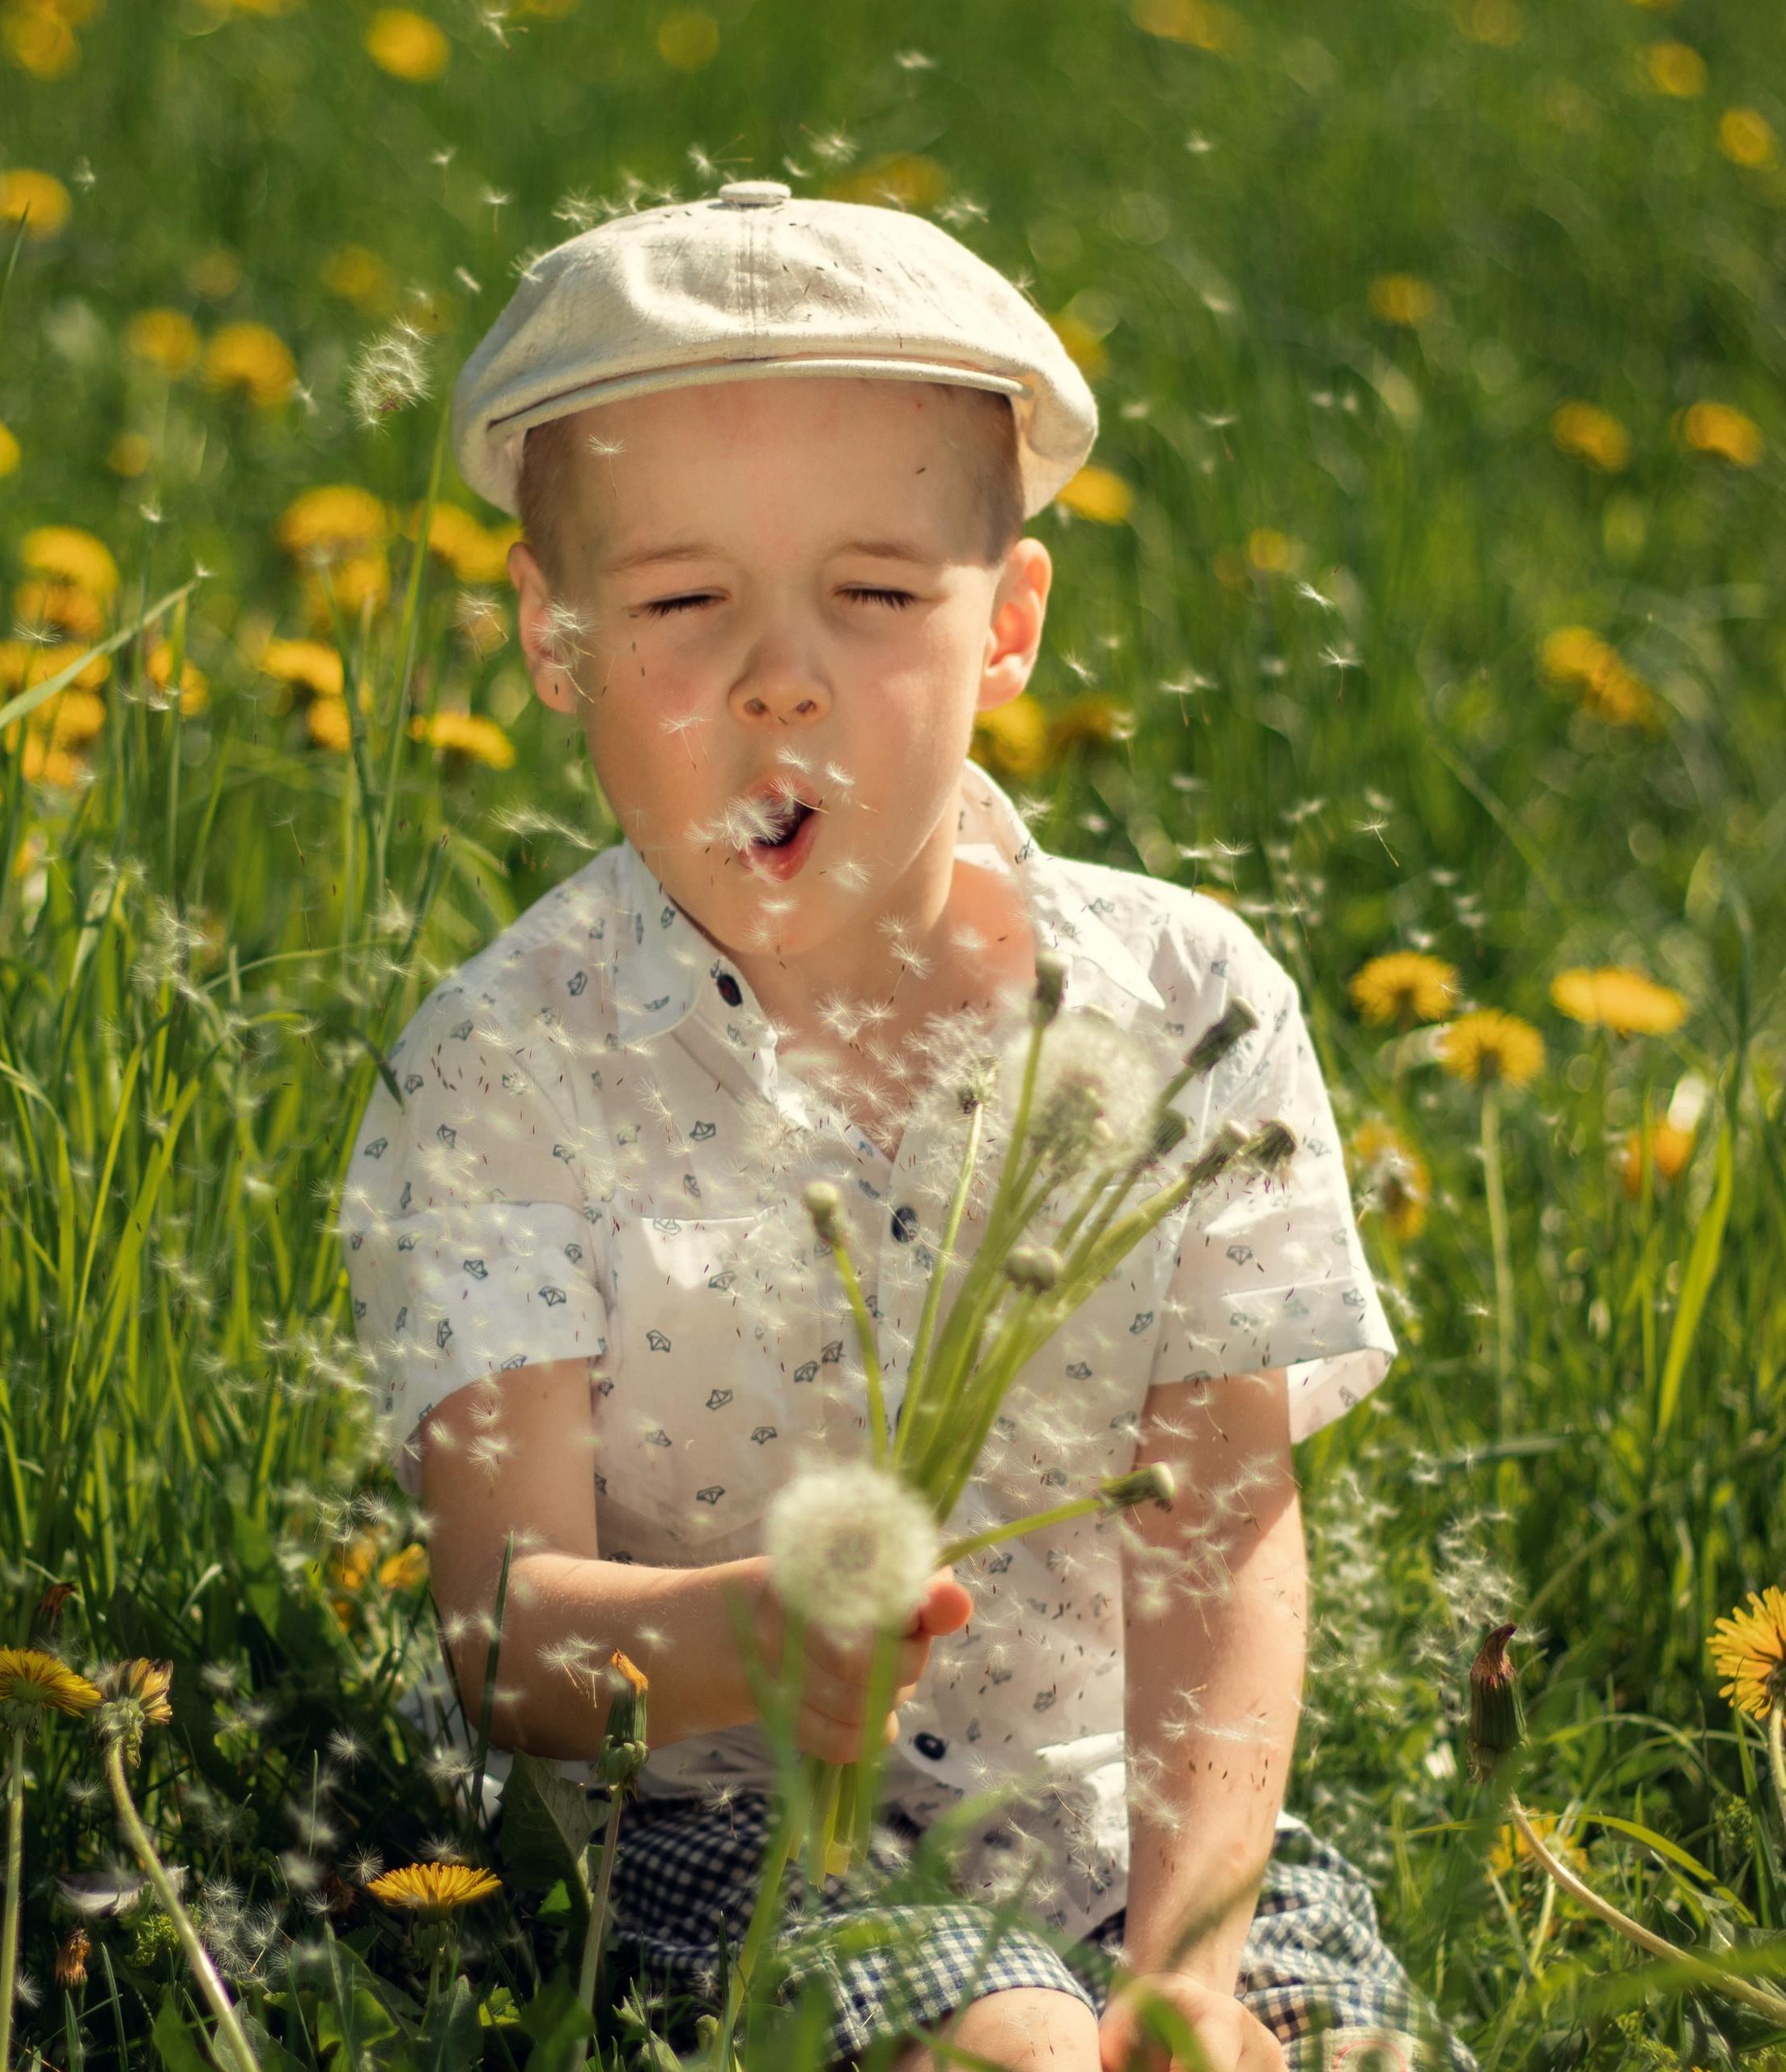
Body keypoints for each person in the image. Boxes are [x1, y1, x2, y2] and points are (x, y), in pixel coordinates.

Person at [343, 182, 1463, 2072]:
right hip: (732, 1819)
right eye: (680, 602)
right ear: (551, 635)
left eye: (870, 596)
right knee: (1013, 2049)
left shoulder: (1184, 1006)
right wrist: (737, 1633)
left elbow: (1217, 1535)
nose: (777, 676)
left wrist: (1191, 1957)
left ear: (1005, 625)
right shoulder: (502, 1068)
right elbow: (503, 1635)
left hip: (1132, 1816)